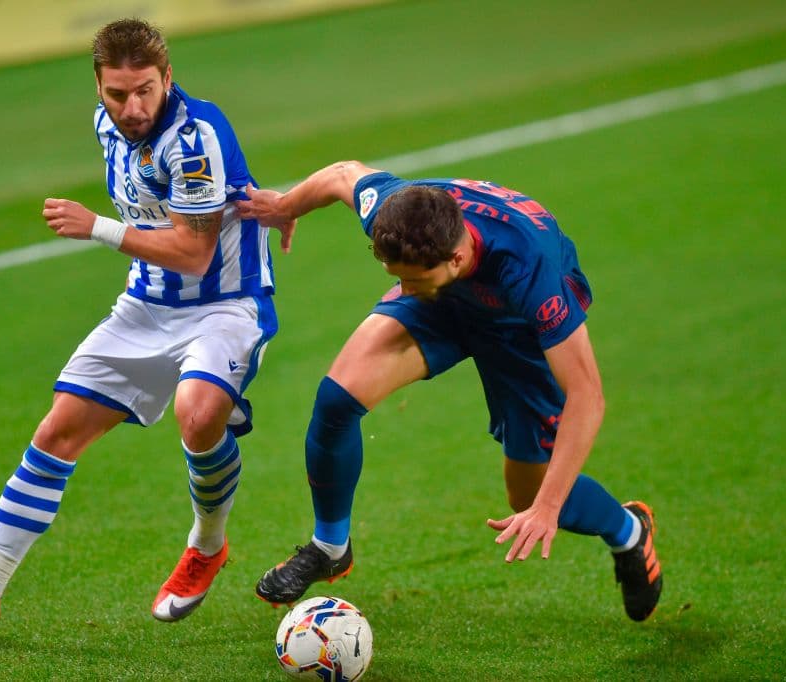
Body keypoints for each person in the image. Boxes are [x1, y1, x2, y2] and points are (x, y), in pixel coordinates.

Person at [0, 18, 277, 636]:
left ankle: (207, 546)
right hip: (146, 305)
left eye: (146, 91)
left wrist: (97, 226)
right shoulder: (108, 125)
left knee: (196, 412)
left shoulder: (195, 135)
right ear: (99, 89)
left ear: (168, 78)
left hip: (224, 303)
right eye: (117, 94)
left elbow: (195, 253)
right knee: (56, 432)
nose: (132, 108)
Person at [235, 160, 663, 622]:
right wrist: (284, 205)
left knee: (527, 495)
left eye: (411, 279)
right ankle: (330, 547)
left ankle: (627, 530)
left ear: (456, 258)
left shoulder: (530, 271)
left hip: (516, 332)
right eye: (396, 277)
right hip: (443, 304)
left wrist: (548, 507)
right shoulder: (398, 212)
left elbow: (587, 395)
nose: (402, 288)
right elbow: (343, 175)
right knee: (337, 398)